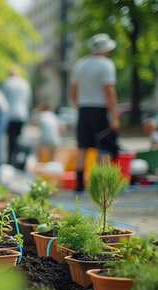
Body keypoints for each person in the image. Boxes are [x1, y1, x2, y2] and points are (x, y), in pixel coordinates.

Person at [69, 33, 120, 191]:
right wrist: (113, 115)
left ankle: (79, 185)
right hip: (100, 109)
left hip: (84, 108)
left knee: (82, 147)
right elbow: (109, 91)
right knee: (103, 148)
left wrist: (79, 104)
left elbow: (73, 89)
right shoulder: (106, 64)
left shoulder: (80, 64)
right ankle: (100, 185)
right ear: (106, 49)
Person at [0, 67, 32, 165]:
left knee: (11, 138)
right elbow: (29, 100)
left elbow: (2, 99)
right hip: (22, 114)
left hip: (10, 115)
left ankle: (11, 159)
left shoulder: (6, 82)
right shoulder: (24, 83)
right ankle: (16, 159)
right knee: (18, 138)